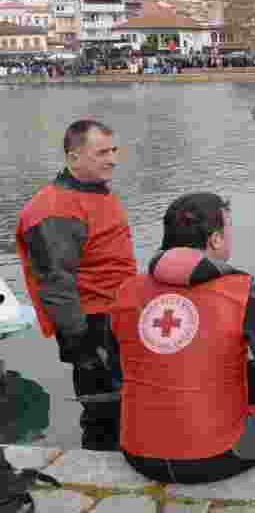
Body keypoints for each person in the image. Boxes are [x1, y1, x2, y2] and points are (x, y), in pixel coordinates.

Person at [109, 193, 255, 484]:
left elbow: (117, 370)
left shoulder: (126, 291)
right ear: (216, 239)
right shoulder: (242, 290)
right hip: (211, 454)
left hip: (137, 450)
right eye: (229, 228)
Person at [15, 119, 138, 451]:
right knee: (103, 411)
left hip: (118, 316)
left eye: (113, 150)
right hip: (92, 325)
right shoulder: (53, 208)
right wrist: (80, 344)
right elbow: (55, 282)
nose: (112, 159)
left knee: (129, 404)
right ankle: (102, 468)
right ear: (73, 158)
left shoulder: (95, 193)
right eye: (101, 152)